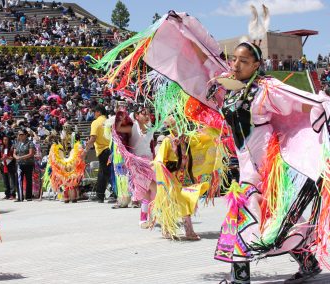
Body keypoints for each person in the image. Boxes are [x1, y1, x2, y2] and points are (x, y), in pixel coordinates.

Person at [92, 11, 330, 283]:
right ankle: (306, 261)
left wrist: (321, 108)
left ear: (256, 65)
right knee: (264, 221)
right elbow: (204, 53)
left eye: (244, 61)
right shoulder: (229, 88)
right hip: (248, 171)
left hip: (272, 170)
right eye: (234, 60)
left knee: (252, 220)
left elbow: (303, 101)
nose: (236, 64)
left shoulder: (266, 90)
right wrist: (184, 27)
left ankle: (243, 277)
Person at [83, 104, 111, 203]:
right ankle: (100, 194)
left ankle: (103, 195)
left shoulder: (95, 122)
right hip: (111, 149)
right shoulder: (108, 121)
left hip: (103, 150)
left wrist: (85, 151)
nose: (93, 114)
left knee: (104, 173)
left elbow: (93, 138)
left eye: (94, 112)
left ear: (98, 112)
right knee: (105, 172)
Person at [13, 129, 35, 202]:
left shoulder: (30, 143)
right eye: (19, 134)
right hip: (19, 164)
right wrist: (16, 157)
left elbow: (31, 153)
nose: (20, 136)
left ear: (25, 135)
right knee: (18, 180)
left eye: (21, 134)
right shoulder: (17, 143)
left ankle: (28, 196)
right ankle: (20, 197)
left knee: (28, 180)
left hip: (28, 164)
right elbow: (14, 153)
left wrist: (21, 157)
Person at [0, 135, 17, 200]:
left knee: (12, 180)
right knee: (5, 180)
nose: (5, 141)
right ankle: (7, 194)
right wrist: (2, 158)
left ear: (9, 140)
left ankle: (13, 194)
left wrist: (7, 157)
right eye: (4, 140)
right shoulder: (1, 147)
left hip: (10, 165)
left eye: (6, 140)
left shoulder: (12, 147)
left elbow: (13, 156)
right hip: (3, 165)